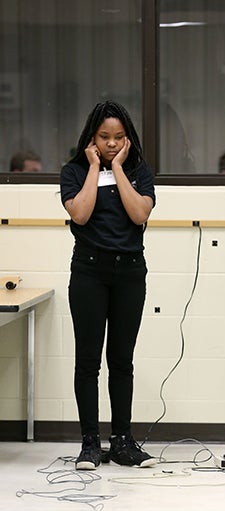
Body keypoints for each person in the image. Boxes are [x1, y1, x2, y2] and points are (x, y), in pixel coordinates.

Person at [60, 100, 156, 470]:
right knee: (87, 361)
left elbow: (140, 213)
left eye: (118, 137)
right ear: (91, 138)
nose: (112, 143)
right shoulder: (74, 171)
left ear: (127, 138)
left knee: (122, 361)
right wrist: (95, 167)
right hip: (89, 272)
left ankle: (122, 441)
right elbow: (80, 213)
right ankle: (89, 443)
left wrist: (116, 168)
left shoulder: (138, 171)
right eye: (104, 138)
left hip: (130, 273)